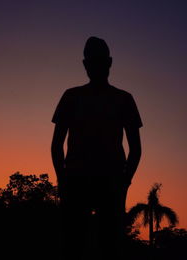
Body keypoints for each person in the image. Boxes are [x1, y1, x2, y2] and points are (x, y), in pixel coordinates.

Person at [51, 37, 142, 259]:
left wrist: (124, 181)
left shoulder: (124, 99)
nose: (95, 67)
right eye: (91, 62)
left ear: (109, 62)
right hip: (77, 181)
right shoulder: (71, 96)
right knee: (73, 244)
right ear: (85, 64)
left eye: (100, 61)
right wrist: (63, 179)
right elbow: (56, 144)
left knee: (109, 245)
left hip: (109, 183)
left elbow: (136, 148)